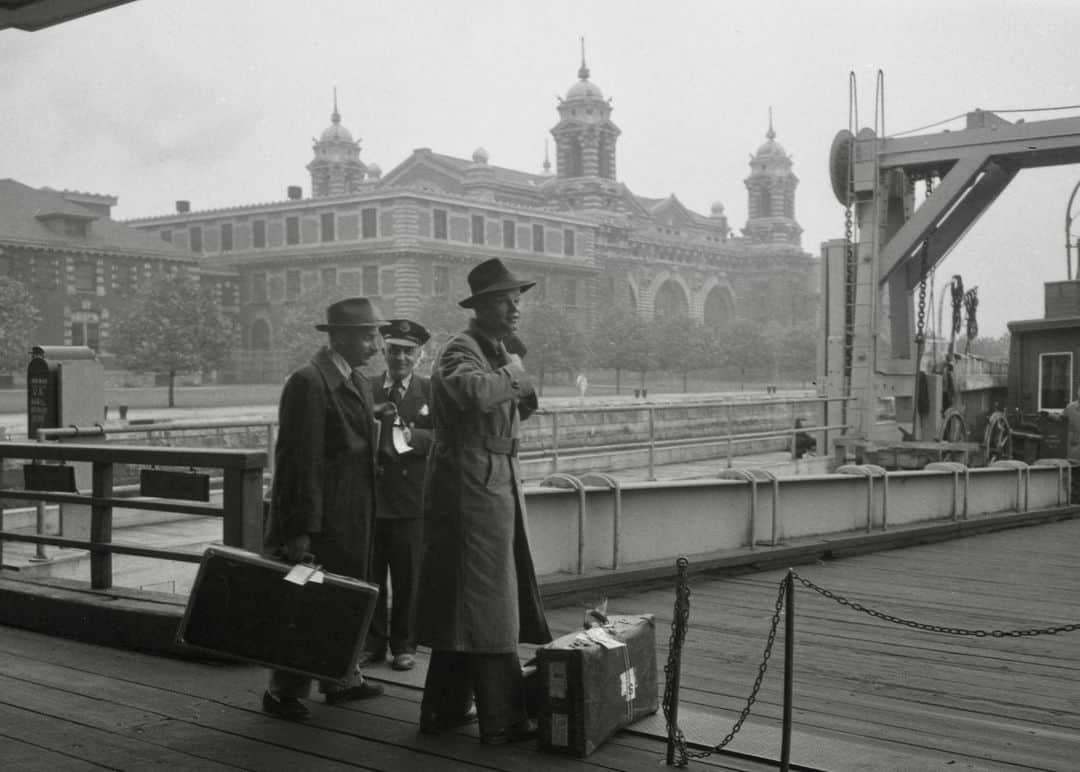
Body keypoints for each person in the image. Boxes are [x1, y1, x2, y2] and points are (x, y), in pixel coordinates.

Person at [414, 257, 552, 744]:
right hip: (474, 483)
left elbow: (518, 405)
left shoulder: (494, 348)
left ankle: (445, 709)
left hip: (492, 479)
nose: (516, 308)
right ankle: (503, 718)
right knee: (488, 598)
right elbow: (470, 393)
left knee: (471, 596)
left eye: (518, 300)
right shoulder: (461, 348)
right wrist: (515, 375)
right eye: (506, 301)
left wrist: (515, 375)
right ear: (484, 306)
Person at [261, 297, 386, 721]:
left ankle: (340, 678)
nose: (377, 345)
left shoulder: (355, 381)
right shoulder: (309, 383)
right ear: (341, 338)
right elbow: (300, 463)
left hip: (350, 519)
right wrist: (299, 530)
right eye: (369, 336)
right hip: (320, 524)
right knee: (305, 604)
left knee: (343, 601)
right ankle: (282, 692)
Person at [361, 319, 433, 672]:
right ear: (384, 352)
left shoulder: (430, 391)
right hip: (373, 499)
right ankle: (372, 644)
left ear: (420, 355)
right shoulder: (365, 387)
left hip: (410, 501)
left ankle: (404, 644)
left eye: (408, 351)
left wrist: (409, 437)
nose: (400, 357)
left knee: (408, 578)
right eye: (394, 350)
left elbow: (446, 439)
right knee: (370, 576)